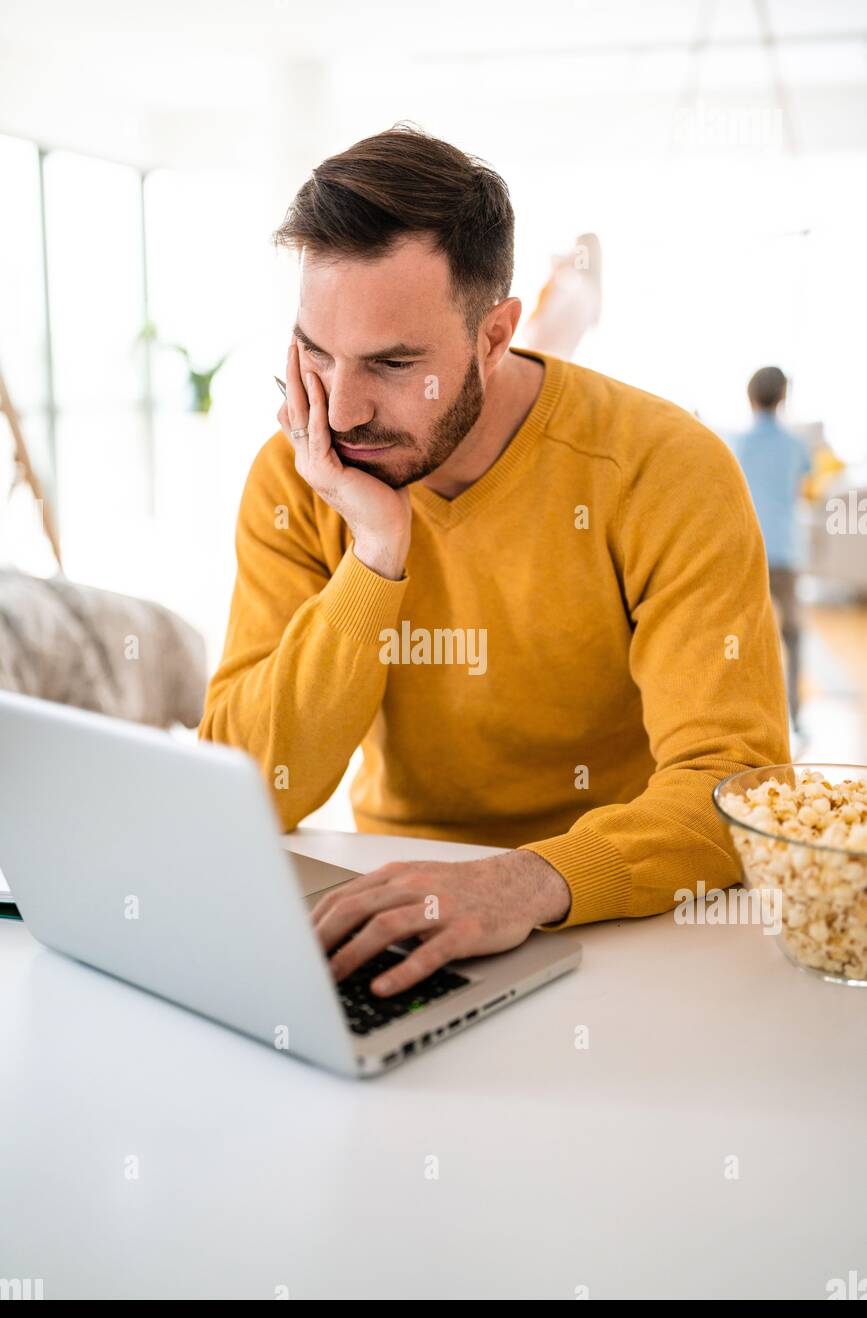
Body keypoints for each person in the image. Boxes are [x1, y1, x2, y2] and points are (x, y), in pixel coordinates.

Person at [198, 123, 790, 998]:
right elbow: (249, 793)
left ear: (494, 333)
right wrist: (375, 556)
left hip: (619, 916)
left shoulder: (663, 466)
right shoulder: (298, 475)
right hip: (395, 897)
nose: (345, 411)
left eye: (395, 363)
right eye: (316, 355)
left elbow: (735, 788)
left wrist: (530, 879)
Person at [729, 367, 812, 732]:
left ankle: (745, 717)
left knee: (744, 638)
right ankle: (794, 716)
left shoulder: (737, 444)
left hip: (747, 551)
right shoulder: (796, 446)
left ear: (750, 397)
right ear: (783, 398)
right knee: (792, 635)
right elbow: (801, 490)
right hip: (786, 550)